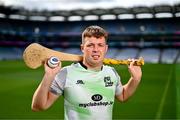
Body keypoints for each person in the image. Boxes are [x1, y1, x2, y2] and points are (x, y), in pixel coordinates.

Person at [31, 25, 142, 120]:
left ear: (106, 48)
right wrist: (48, 76)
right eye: (90, 45)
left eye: (100, 45)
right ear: (82, 48)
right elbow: (39, 106)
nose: (96, 49)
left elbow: (122, 96)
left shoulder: (111, 72)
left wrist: (135, 79)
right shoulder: (65, 73)